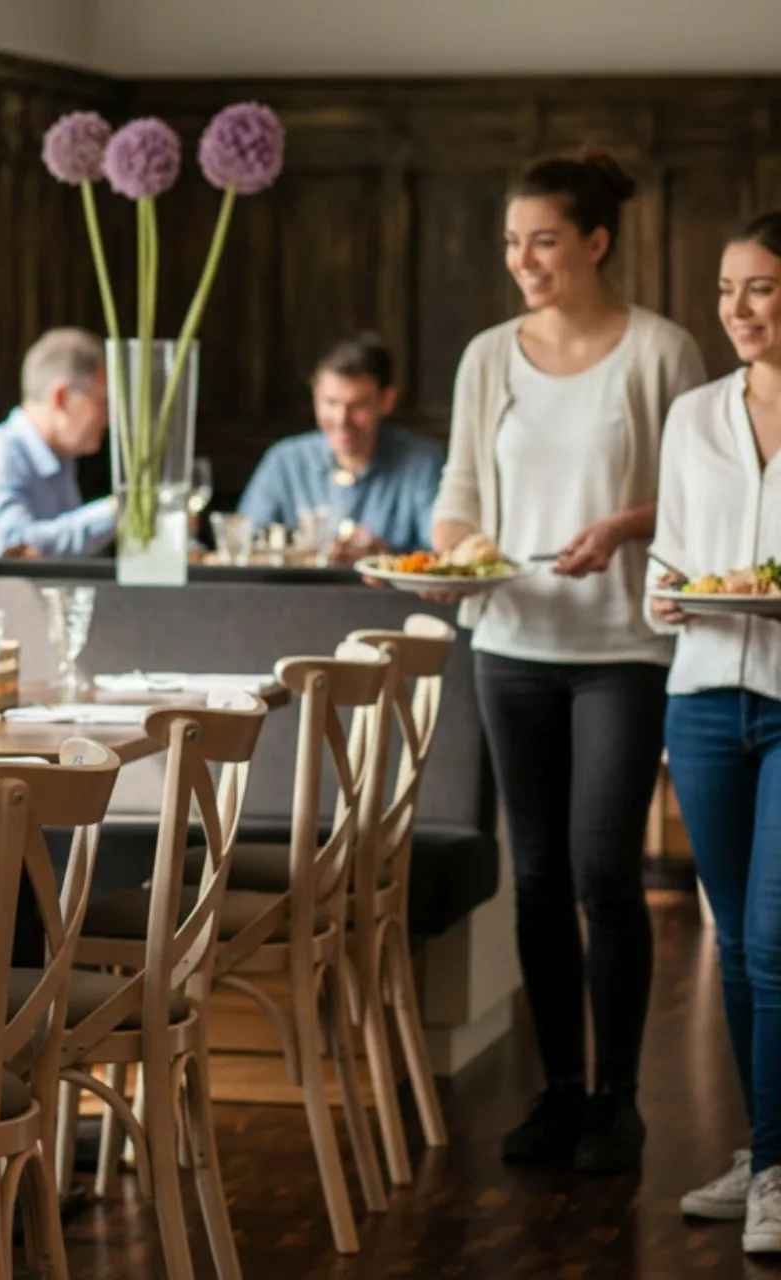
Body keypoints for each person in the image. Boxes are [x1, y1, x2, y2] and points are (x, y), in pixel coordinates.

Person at [428, 151, 706, 1175]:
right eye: (513, 241)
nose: (524, 260)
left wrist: (623, 525)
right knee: (536, 875)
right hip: (509, 643)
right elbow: (457, 496)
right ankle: (557, 1091)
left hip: (621, 648)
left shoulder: (662, 352)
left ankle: (618, 1099)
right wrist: (463, 551)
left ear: (594, 241)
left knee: (603, 871)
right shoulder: (487, 355)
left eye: (543, 239)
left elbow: (697, 495)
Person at [648, 211, 781, 1253]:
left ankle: (778, 1164)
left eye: (762, 288)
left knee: (777, 941)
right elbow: (674, 561)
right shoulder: (693, 415)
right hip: (700, 697)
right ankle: (765, 1148)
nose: (737, 309)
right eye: (729, 289)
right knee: (735, 945)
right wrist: (667, 595)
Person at [238, 332, 444, 561]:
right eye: (331, 403)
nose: (341, 420)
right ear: (315, 396)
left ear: (386, 401)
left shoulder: (422, 462)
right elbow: (245, 544)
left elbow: (442, 555)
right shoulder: (283, 461)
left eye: (357, 406)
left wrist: (385, 555)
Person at [0, 326, 115, 558]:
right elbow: (13, 550)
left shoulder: (61, 458)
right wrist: (114, 514)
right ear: (61, 398)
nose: (109, 418)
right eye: (103, 401)